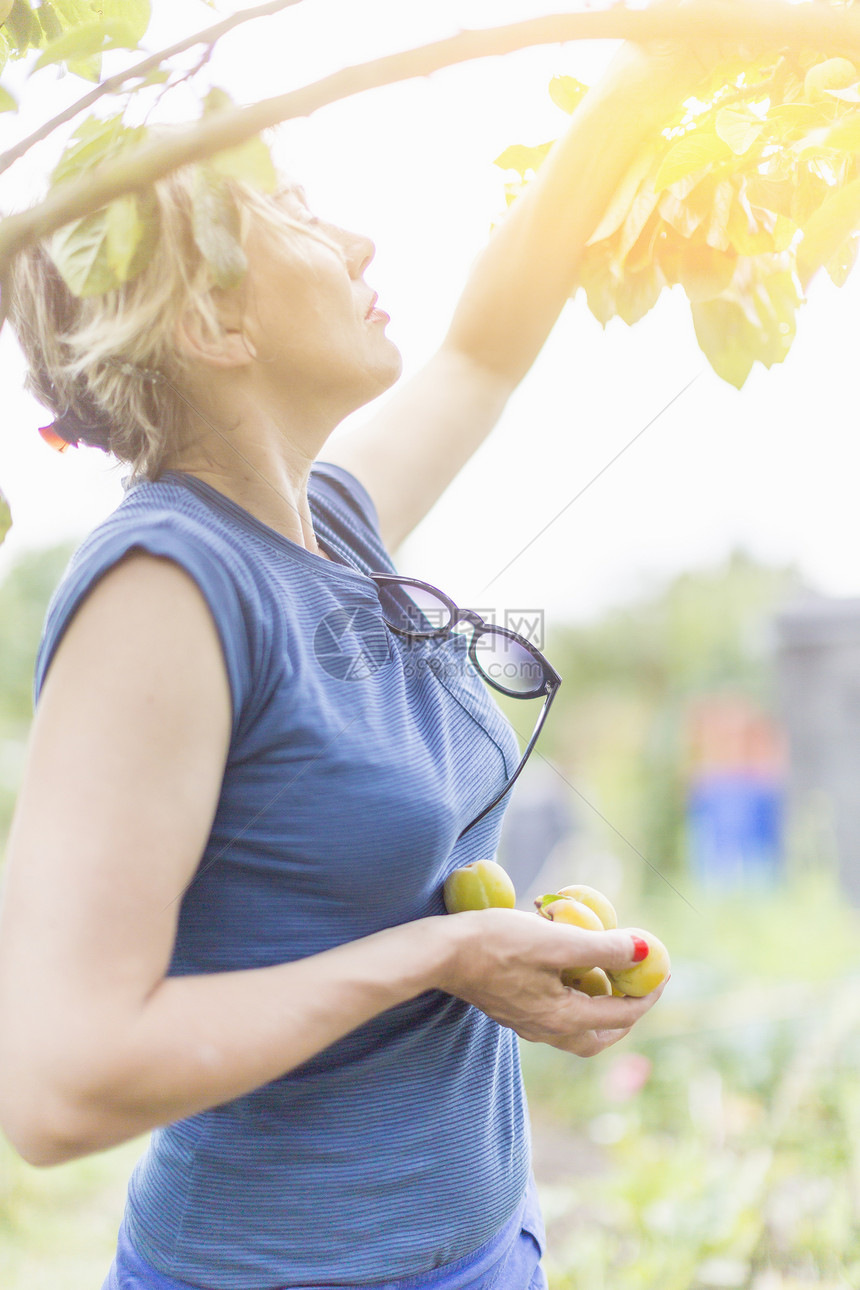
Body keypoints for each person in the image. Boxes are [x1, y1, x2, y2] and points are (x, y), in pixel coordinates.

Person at [0, 33, 714, 1290]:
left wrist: (640, 68)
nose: (361, 246)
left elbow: (481, 353)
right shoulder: (165, 589)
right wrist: (443, 957)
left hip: (484, 1247)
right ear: (213, 320)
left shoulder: (329, 526)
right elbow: (58, 1085)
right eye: (293, 215)